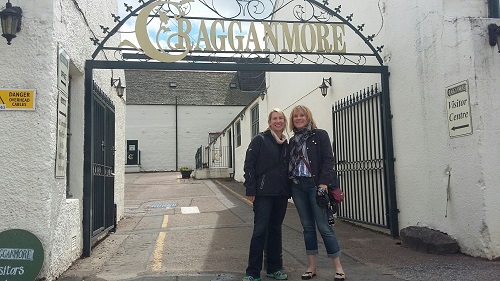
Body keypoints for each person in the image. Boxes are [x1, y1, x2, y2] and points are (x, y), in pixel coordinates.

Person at [288, 105, 345, 281]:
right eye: (295, 116)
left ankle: (338, 268)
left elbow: (328, 159)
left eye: (302, 115)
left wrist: (323, 183)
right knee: (307, 227)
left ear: (308, 117)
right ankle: (311, 267)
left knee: (323, 226)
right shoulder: (292, 140)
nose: (299, 118)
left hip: (315, 186)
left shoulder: (320, 135)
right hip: (297, 186)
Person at [242, 108, 291, 281]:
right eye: (275, 118)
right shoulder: (259, 140)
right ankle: (252, 272)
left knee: (275, 231)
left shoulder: (287, 144)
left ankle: (274, 268)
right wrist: (250, 189)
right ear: (269, 122)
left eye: (281, 119)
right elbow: (249, 164)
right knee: (260, 231)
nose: (278, 121)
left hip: (281, 194)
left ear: (284, 123)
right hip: (263, 193)